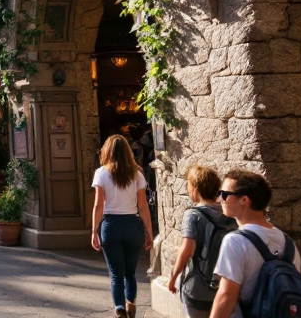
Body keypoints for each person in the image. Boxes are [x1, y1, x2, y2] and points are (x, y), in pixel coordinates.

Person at [210, 169, 301, 318]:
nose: (219, 200)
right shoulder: (288, 242)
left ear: (244, 200)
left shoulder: (235, 241)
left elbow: (226, 296)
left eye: (224, 194)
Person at [91, 134, 155, 318]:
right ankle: (131, 304)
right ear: (128, 152)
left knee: (116, 274)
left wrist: (94, 231)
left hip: (110, 225)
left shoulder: (101, 173)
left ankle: (119, 308)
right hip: (132, 225)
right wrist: (149, 233)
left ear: (107, 151)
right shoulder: (137, 174)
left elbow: (98, 205)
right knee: (130, 273)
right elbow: (143, 206)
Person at [167, 165, 234, 318]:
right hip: (223, 289)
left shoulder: (193, 215)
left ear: (195, 189)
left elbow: (187, 250)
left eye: (188, 186)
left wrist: (173, 277)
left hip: (197, 288)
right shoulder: (229, 213)